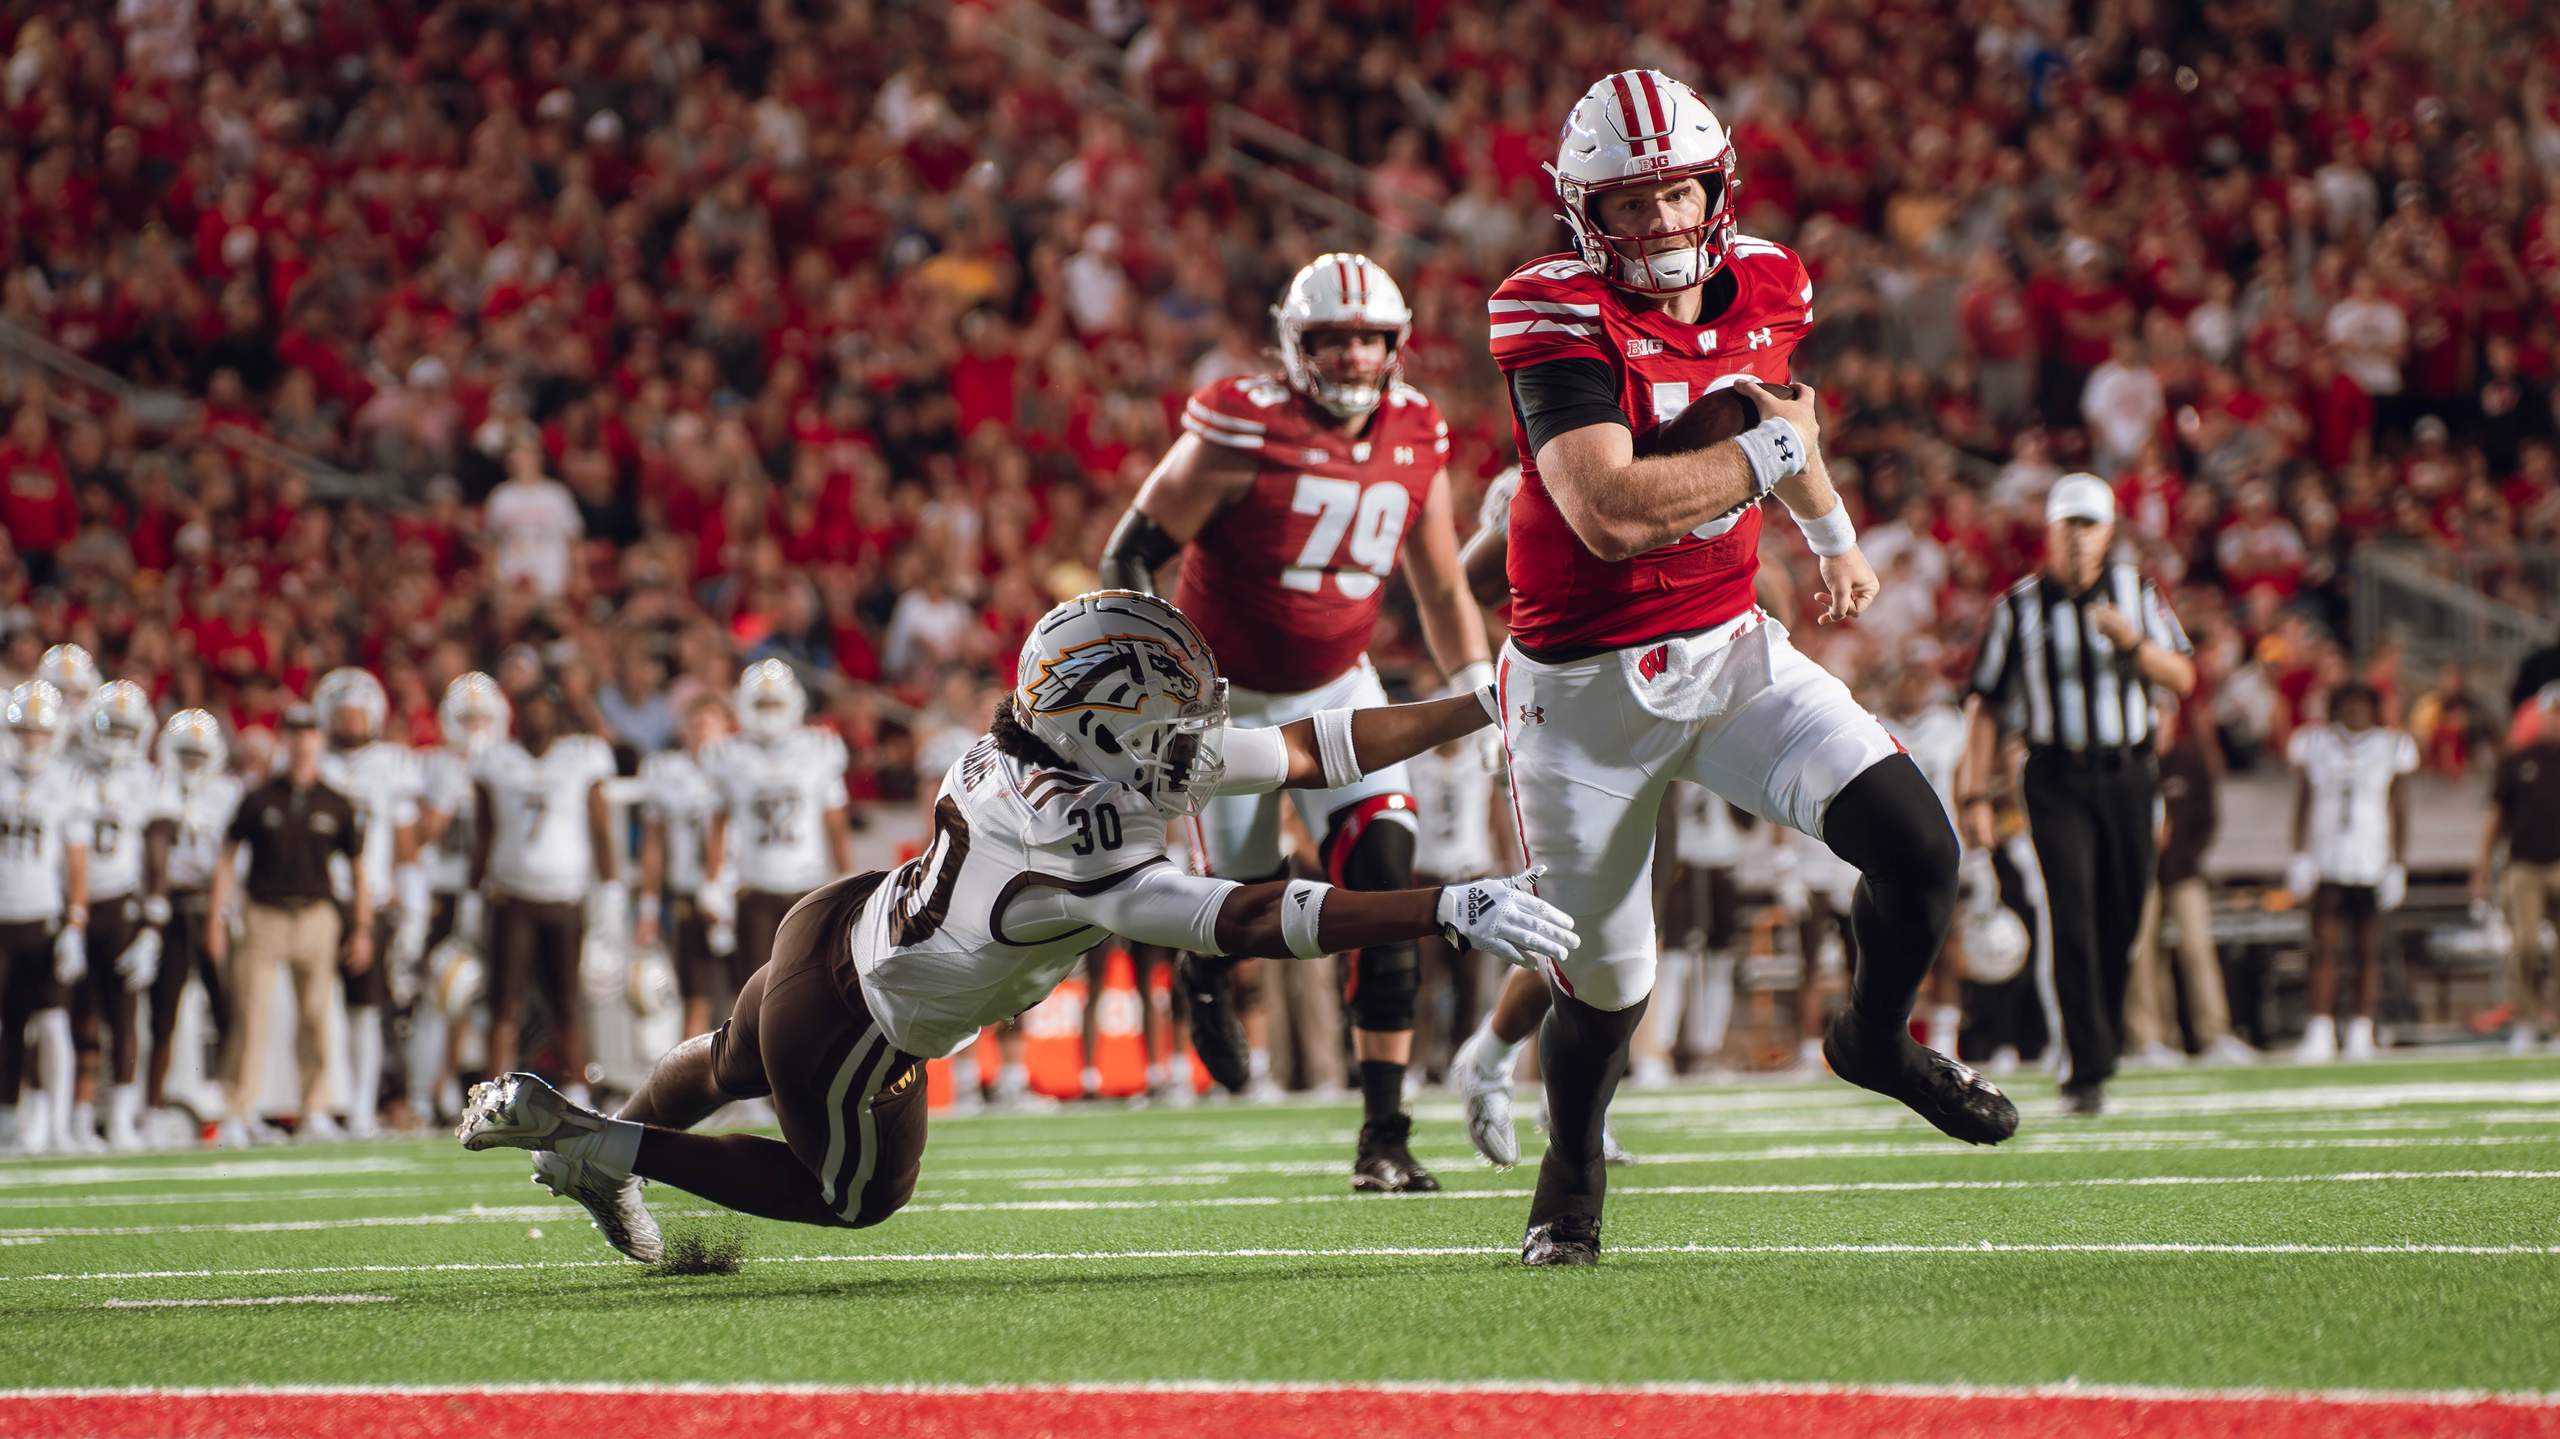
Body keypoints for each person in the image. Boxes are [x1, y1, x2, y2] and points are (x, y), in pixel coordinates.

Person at [456, 590, 1575, 1262]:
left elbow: (1308, 747)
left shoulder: (1053, 745)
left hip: (835, 922)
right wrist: (1449, 903)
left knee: (734, 1055)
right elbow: (1246, 917)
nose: (1196, 729)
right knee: (853, 1194)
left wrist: (1482, 698)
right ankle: (589, 1139)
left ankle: (610, 1156)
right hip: (862, 1021)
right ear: (1103, 724)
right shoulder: (1078, 830)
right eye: (1171, 711)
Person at [1481, 69, 2007, 1265]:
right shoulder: (1547, 310)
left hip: (1728, 648)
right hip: (1583, 695)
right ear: (1582, 217)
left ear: (1715, 188)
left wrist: (1832, 535)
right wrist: (1777, 450)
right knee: (1608, 986)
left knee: (1921, 848)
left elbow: (1781, 419)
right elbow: (1611, 512)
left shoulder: (1769, 277)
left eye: (1677, 193)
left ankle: (1873, 1036)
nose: (1661, 222)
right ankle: (1571, 1169)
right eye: (1630, 204)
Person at [1097, 252, 1493, 1192]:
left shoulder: (1417, 431)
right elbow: (1132, 552)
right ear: (1294, 343)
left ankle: (1385, 1135)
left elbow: (1437, 581)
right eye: (1332, 338)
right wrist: (1166, 691)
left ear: (1396, 344)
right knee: (1245, 907)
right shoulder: (1242, 424)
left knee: (1385, 891)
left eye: (1369, 338)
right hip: (1228, 705)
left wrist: (1475, 683)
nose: (1353, 356)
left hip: (1339, 691)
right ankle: (1204, 975)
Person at [1959, 475, 2197, 1115]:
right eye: (2069, 524)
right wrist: (1973, 793)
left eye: (2089, 525)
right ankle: (2084, 1069)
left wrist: (2133, 645)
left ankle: (2101, 1047)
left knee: (2123, 917)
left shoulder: (2137, 593)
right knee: (2073, 913)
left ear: (2109, 531)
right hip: (2055, 775)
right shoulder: (2018, 607)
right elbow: (1985, 703)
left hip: (2129, 773)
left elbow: (2183, 673)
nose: (2078, 537)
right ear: (2050, 530)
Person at [206, 704, 370, 1146]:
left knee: (317, 1018)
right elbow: (227, 858)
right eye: (295, 732)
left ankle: (315, 1109)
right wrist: (218, 919)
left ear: (320, 739)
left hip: (316, 915)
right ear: (285, 738)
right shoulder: (260, 797)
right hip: (263, 914)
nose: (302, 741)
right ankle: (237, 1111)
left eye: (310, 731)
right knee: (249, 1017)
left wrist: (362, 927)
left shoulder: (336, 801)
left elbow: (357, 870)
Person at [470, 684, 617, 1098]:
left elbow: (601, 829)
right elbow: (484, 833)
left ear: (556, 713)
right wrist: (471, 891)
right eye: (528, 709)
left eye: (543, 709)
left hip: (564, 898)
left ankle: (581, 1089)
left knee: (568, 1000)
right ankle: (493, 1091)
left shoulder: (582, 757)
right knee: (503, 1003)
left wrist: (610, 891)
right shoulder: (496, 759)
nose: (536, 718)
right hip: (511, 897)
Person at [704, 662, 852, 1028]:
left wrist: (847, 875)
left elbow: (834, 822)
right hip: (754, 889)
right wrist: (713, 881)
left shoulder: (821, 748)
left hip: (806, 888)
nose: (769, 714)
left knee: (811, 988)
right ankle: (757, 1077)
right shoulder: (726, 755)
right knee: (755, 991)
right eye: (762, 705)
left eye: (775, 705)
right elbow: (718, 824)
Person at [312, 668, 424, 1136]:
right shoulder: (313, 759)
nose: (350, 722)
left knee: (369, 1007)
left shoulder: (393, 763)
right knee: (318, 1006)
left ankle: (364, 1104)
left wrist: (414, 906)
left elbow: (405, 843)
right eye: (342, 713)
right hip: (318, 896)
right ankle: (322, 1104)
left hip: (370, 901)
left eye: (358, 713)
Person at [2284, 681, 2416, 1062]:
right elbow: (2302, 801)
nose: (2354, 713)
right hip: (2327, 854)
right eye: (2347, 704)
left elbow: (2400, 807)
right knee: (2323, 946)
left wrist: (2399, 862)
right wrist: (2299, 853)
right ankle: (2320, 1027)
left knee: (2367, 949)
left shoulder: (2393, 746)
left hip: (2371, 855)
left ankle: (2362, 1027)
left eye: (2361, 705)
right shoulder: (2314, 743)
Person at [2125, 702, 2254, 1066]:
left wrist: (2180, 852)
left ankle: (2215, 1033)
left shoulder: (2189, 762)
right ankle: (2151, 1038)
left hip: (2183, 872)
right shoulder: (2129, 764)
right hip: (2138, 873)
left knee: (2197, 948)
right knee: (2142, 956)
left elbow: (2206, 820)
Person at [69, 680, 166, 1150]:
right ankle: (80, 1115)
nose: (118, 737)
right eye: (111, 726)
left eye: (127, 728)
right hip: (79, 905)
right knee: (76, 1015)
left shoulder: (146, 778)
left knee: (124, 1019)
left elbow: (156, 851)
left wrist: (152, 922)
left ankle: (123, 1118)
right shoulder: (70, 771)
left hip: (122, 906)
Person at [143, 709, 242, 1140]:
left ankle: (236, 1107)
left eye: (199, 754)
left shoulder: (227, 792)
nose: (192, 763)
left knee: (227, 1012)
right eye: (184, 753)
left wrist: (226, 912)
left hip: (211, 907)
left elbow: (233, 858)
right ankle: (148, 1108)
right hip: (171, 905)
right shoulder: (156, 786)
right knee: (161, 1014)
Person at [0, 682, 90, 1153]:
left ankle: (55, 1121)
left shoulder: (65, 782)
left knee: (52, 1023)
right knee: (7, 1027)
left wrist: (75, 923)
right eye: (24, 729)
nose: (31, 738)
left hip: (42, 918)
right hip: (1, 919)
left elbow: (77, 862)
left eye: (39, 730)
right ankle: (12, 1121)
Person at [413, 672, 507, 1121]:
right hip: (445, 891)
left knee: (480, 996)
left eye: (481, 717)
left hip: (491, 893)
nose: (474, 726)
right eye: (465, 718)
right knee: (439, 993)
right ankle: (423, 1090)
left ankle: (461, 1083)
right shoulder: (438, 766)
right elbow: (421, 835)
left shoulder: (506, 763)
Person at [636, 693, 735, 1039]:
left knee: (750, 995)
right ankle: (691, 1089)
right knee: (695, 998)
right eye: (695, 723)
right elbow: (654, 845)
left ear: (727, 727)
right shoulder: (665, 771)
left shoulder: (744, 767)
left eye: (710, 722)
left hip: (738, 896)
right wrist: (648, 906)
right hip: (688, 894)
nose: (702, 731)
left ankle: (757, 1089)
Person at [2478, 685, 2560, 1052]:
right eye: (2554, 712)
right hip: (2524, 864)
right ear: (2541, 715)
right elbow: (2496, 819)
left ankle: (2557, 1022)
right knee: (2524, 945)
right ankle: (2527, 1019)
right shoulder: (2517, 761)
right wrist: (2480, 869)